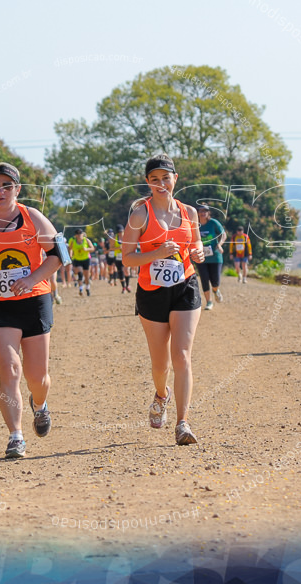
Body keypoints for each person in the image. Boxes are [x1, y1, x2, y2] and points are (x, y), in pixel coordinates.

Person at [0, 162, 68, 459]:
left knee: (38, 378)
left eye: (7, 185)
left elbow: (59, 255)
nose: (0, 191)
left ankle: (40, 404)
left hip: (34, 301)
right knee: (9, 369)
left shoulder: (33, 218)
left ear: (17, 190)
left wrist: (32, 278)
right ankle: (16, 436)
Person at [122, 154, 205, 445]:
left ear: (175, 179)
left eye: (166, 178)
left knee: (181, 356)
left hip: (185, 285)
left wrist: (198, 252)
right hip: (152, 291)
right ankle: (161, 394)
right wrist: (156, 254)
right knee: (161, 365)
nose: (161, 184)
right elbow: (127, 259)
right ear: (148, 182)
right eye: (154, 179)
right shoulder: (140, 215)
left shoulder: (189, 213)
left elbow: (195, 242)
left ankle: (183, 423)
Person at [194, 204, 227, 310]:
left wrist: (219, 244)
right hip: (201, 257)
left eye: (205, 211)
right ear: (197, 213)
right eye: (200, 211)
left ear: (208, 213)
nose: (203, 213)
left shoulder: (213, 223)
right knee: (204, 279)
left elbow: (223, 234)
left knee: (215, 280)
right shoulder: (195, 224)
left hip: (215, 257)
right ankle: (209, 302)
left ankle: (216, 290)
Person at [67, 229, 95, 296]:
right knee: (80, 273)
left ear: (83, 234)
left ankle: (87, 288)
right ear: (76, 235)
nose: (80, 236)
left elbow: (92, 248)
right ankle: (81, 289)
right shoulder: (73, 241)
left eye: (81, 234)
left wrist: (87, 249)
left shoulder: (86, 240)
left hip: (85, 259)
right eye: (78, 235)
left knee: (86, 276)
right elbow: (70, 248)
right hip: (77, 259)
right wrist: (70, 255)